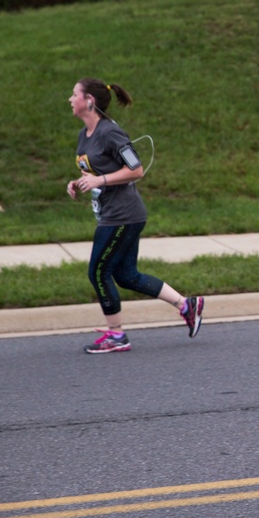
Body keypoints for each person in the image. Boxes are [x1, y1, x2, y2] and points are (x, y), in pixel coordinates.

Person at [66, 77, 204, 354]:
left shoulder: (110, 133)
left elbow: (136, 169)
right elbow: (95, 171)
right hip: (113, 213)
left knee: (98, 272)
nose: (70, 99)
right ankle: (187, 305)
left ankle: (116, 335)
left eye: (74, 94)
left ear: (89, 101)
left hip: (123, 216)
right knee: (126, 275)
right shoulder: (86, 134)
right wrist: (80, 182)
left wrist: (100, 181)